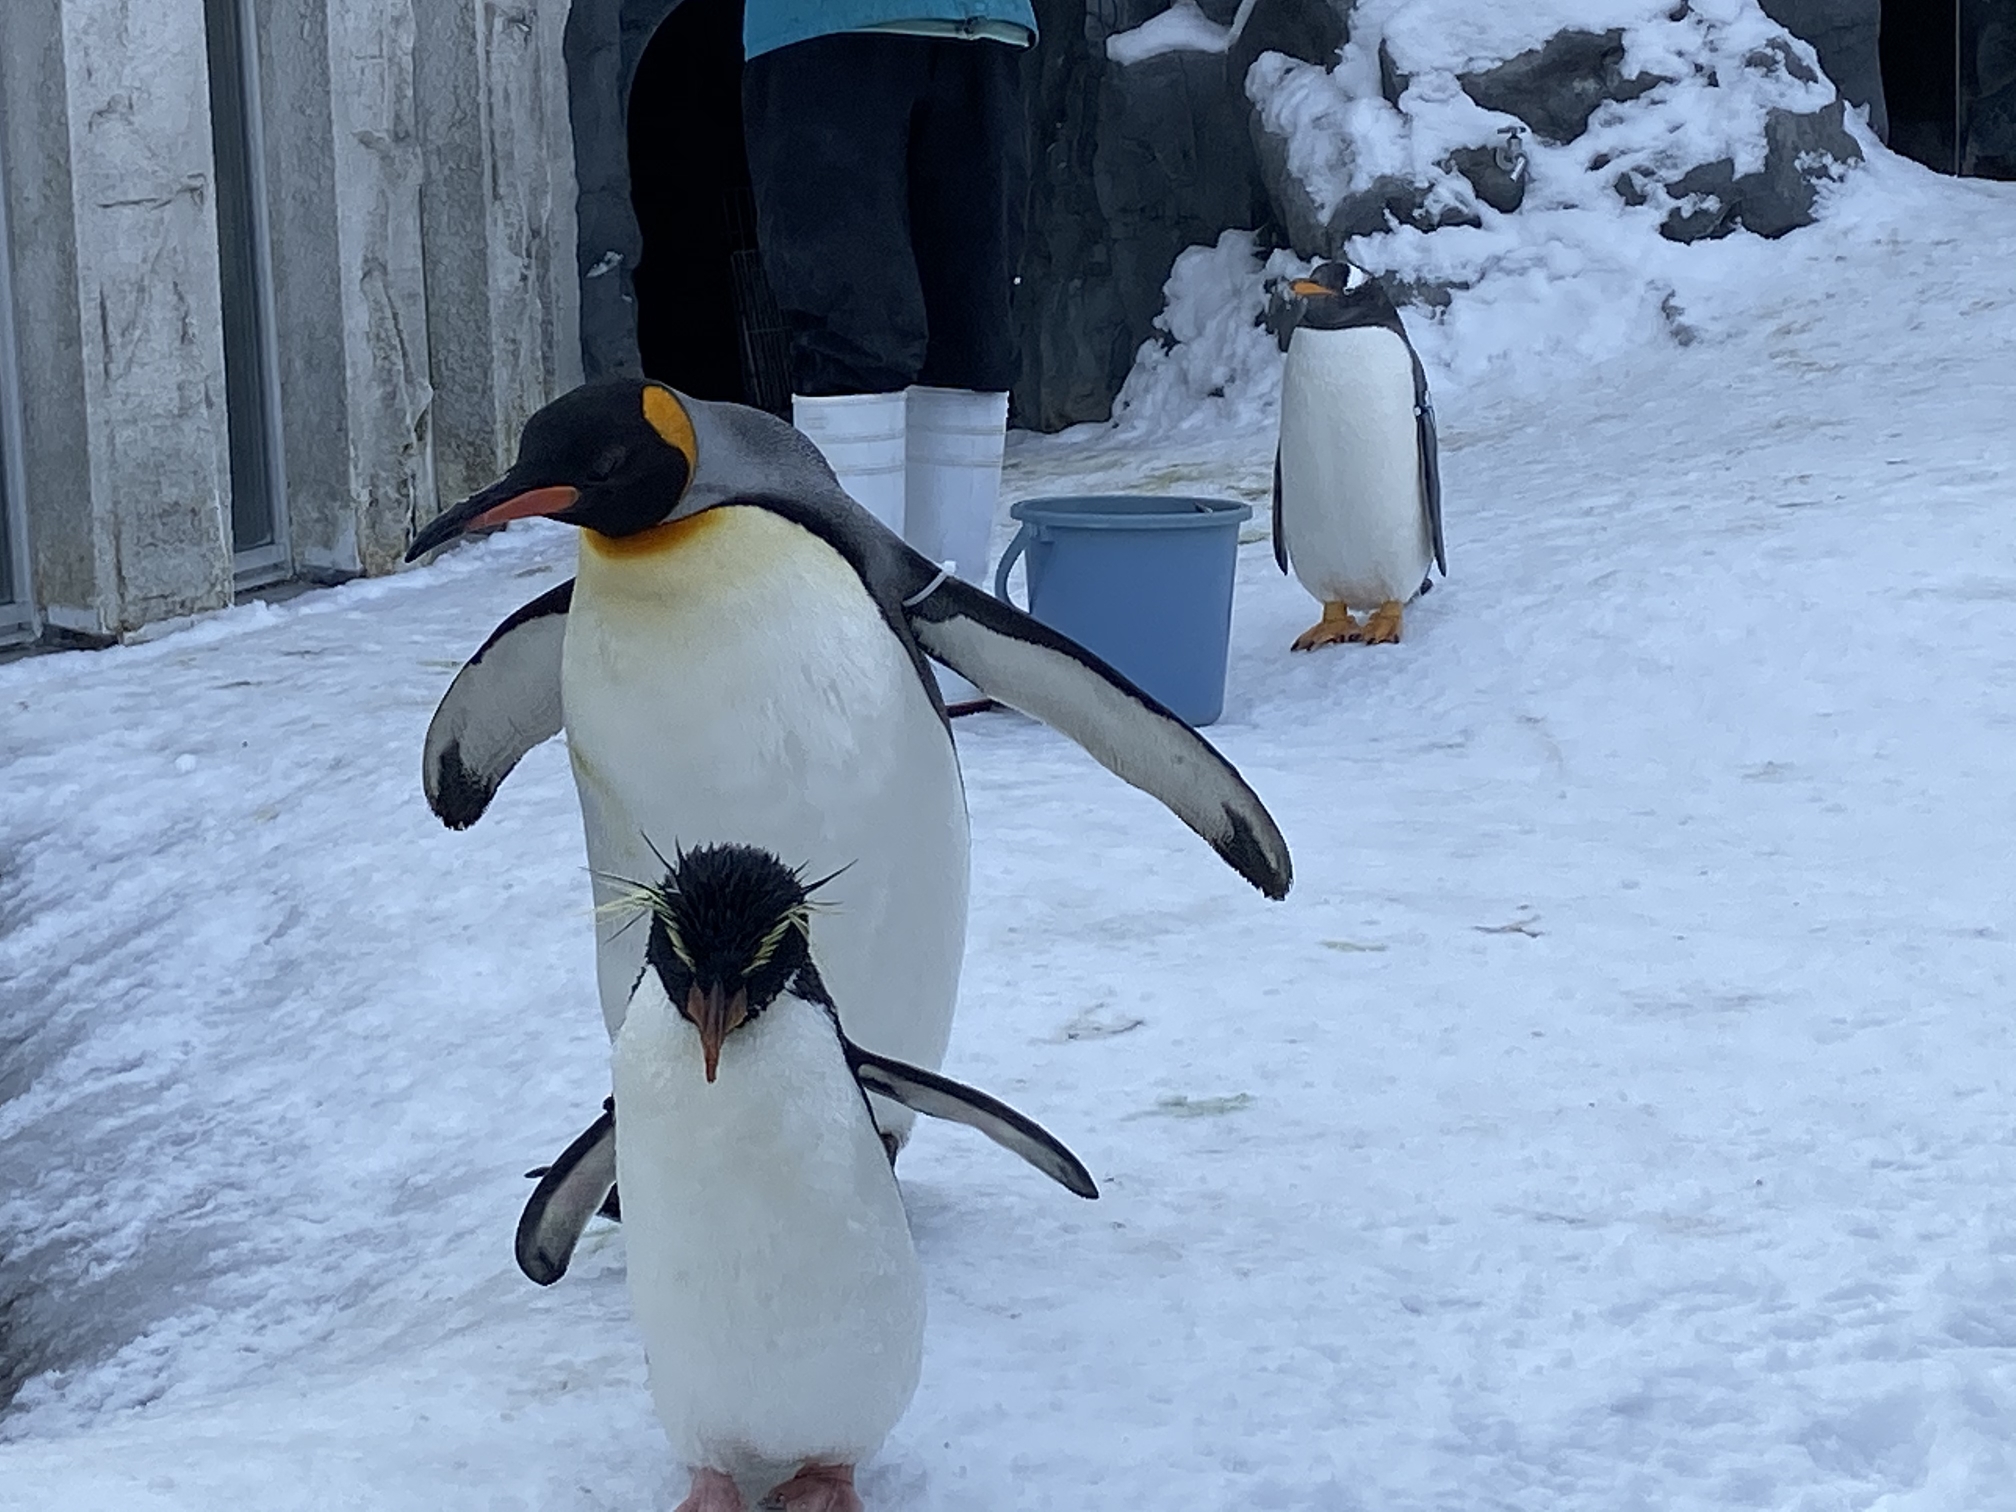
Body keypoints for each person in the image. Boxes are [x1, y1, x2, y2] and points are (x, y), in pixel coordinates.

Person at [741, 2, 1036, 708]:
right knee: (853, 331)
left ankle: (950, 637)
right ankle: (856, 631)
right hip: (826, 23)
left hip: (988, 25)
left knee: (973, 337)